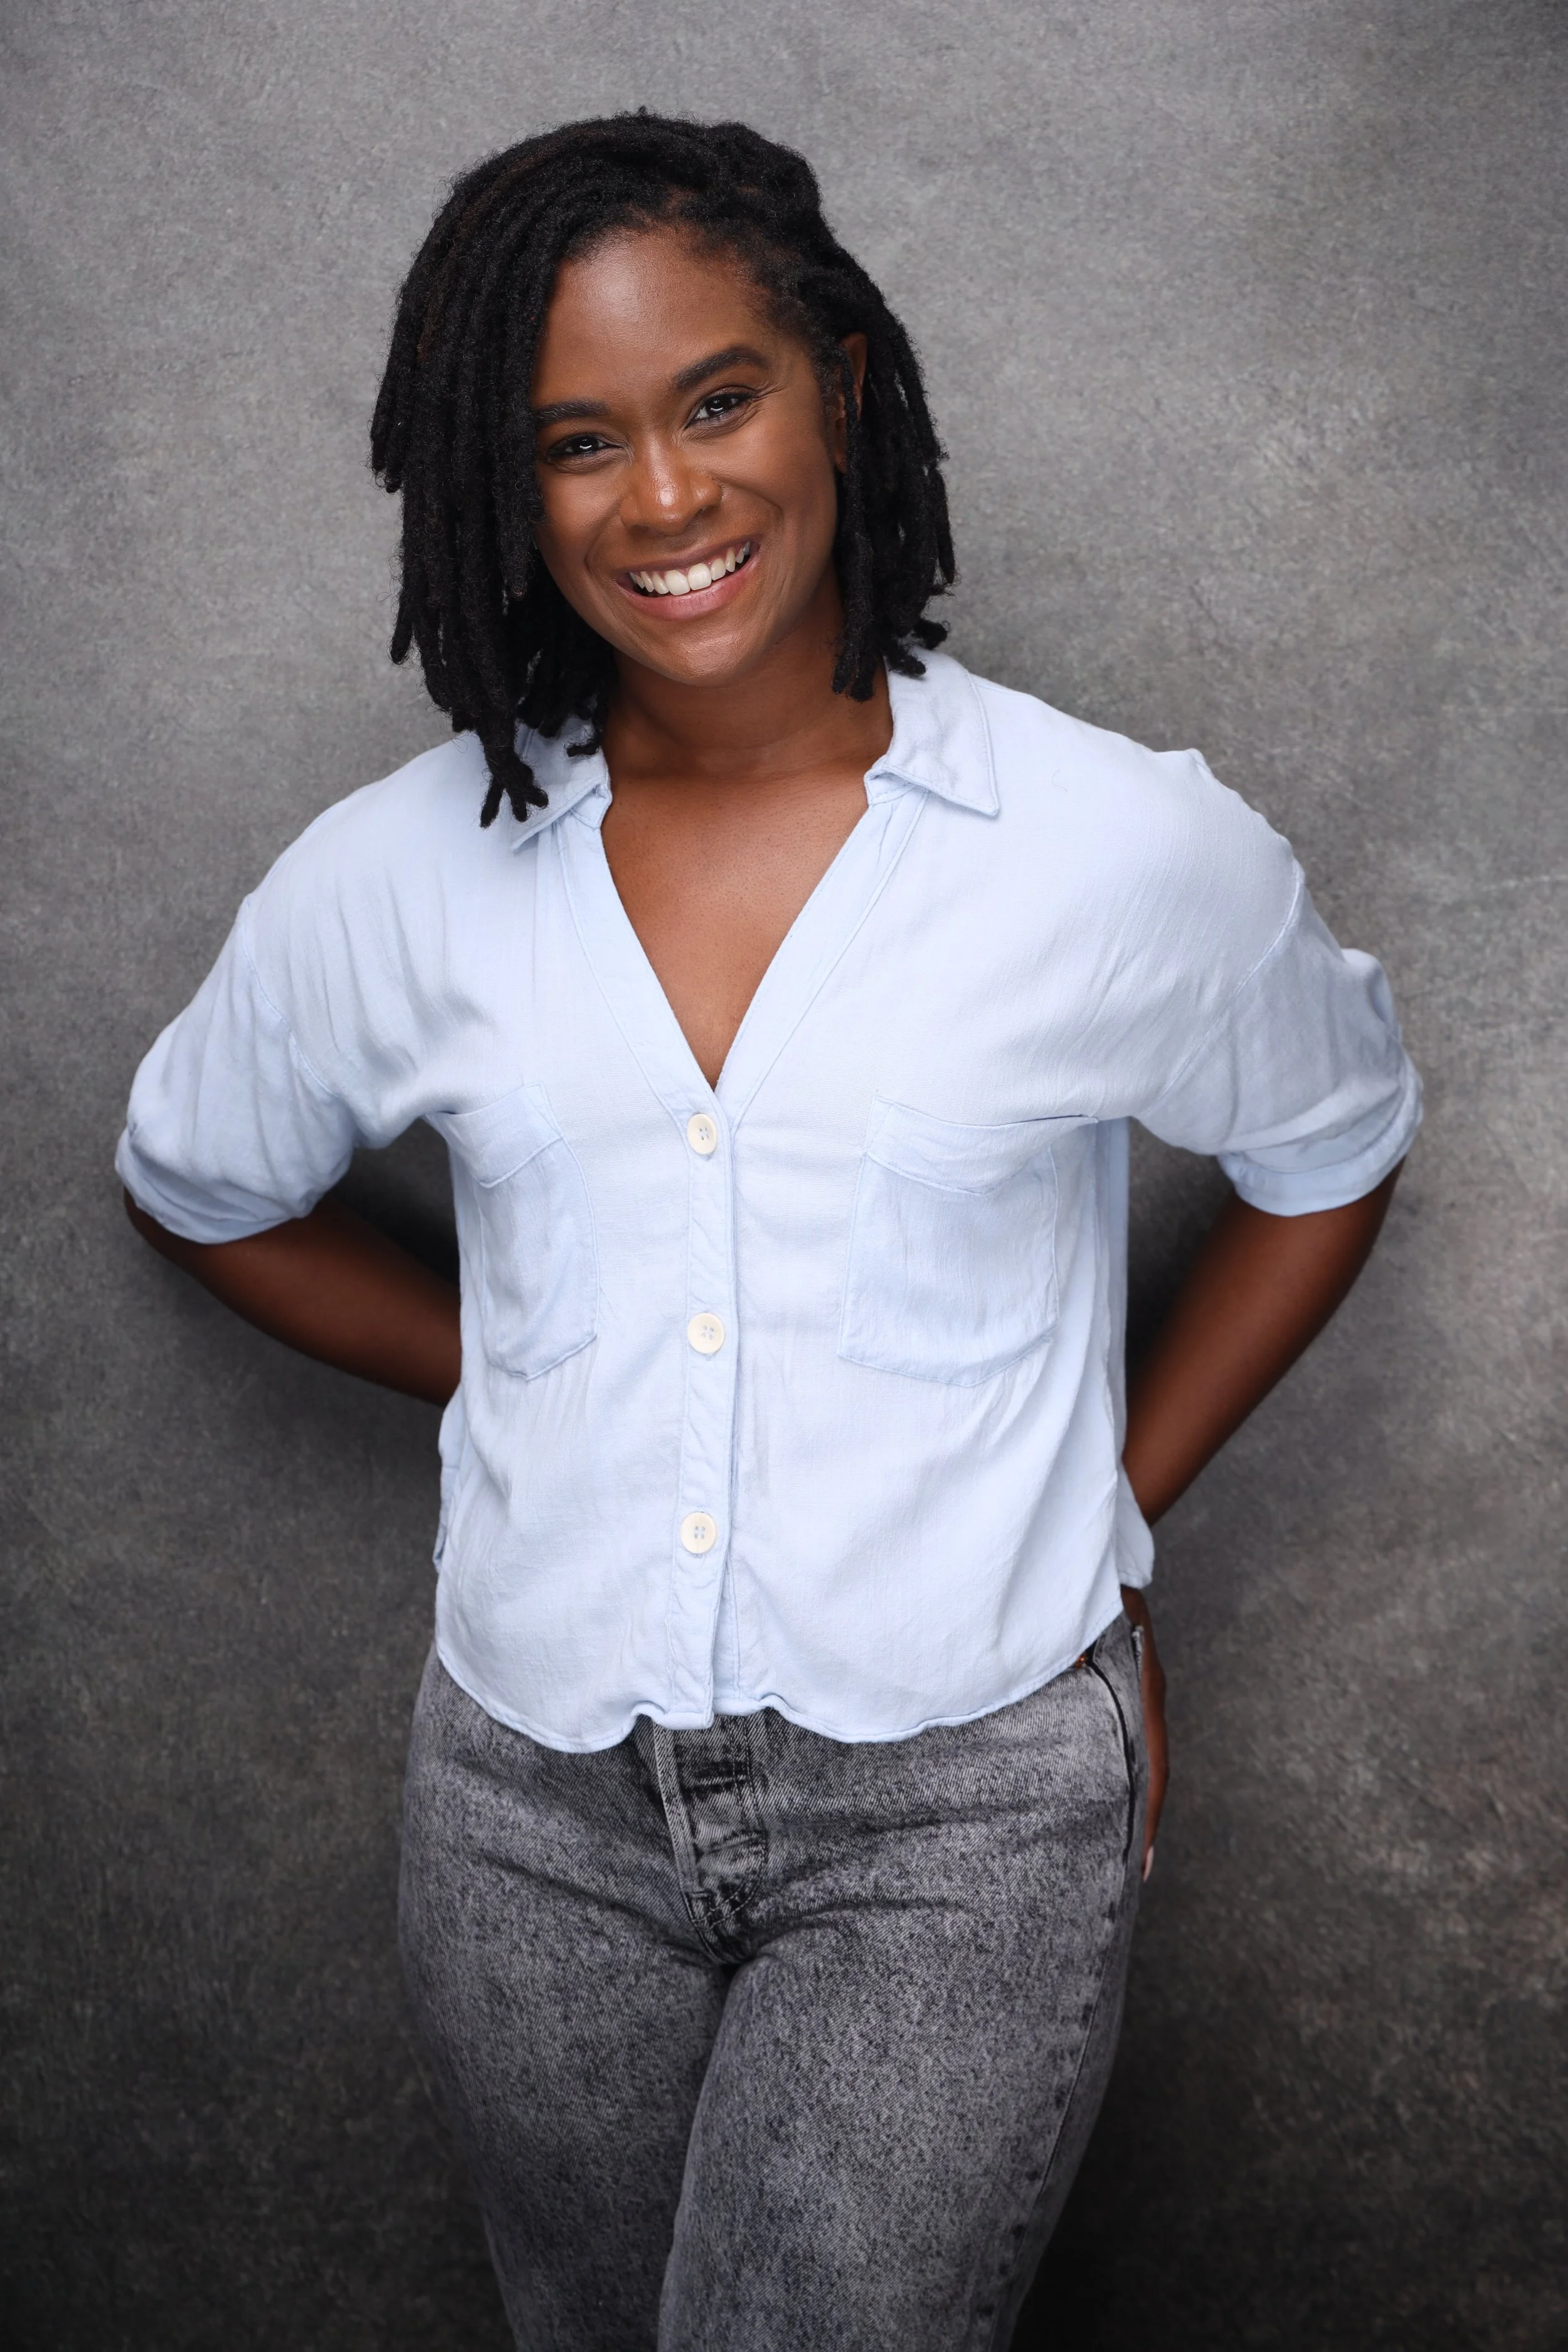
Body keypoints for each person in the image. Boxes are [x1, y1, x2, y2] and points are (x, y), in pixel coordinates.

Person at [117, 114, 1421, 2352]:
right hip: (527, 1816)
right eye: (573, 443)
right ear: (499, 490)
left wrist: (1104, 1518)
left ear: (836, 382)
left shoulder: (1109, 850)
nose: (663, 498)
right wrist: (521, 1361)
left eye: (715, 398)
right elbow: (199, 1181)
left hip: (962, 1806)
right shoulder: (402, 874)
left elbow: (1332, 1143)